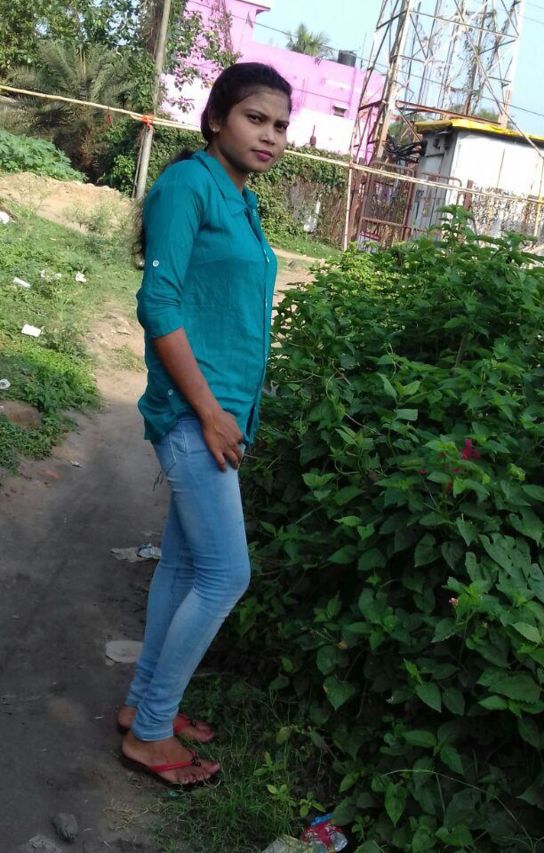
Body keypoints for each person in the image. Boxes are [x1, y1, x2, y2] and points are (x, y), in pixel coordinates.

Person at [118, 62, 292, 785]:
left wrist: (231, 412)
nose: (271, 135)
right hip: (195, 413)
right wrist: (212, 412)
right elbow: (158, 304)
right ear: (217, 118)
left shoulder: (241, 199)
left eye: (281, 125)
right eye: (256, 118)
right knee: (225, 574)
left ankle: (142, 704)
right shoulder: (188, 185)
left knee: (187, 565)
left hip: (221, 413)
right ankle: (151, 731)